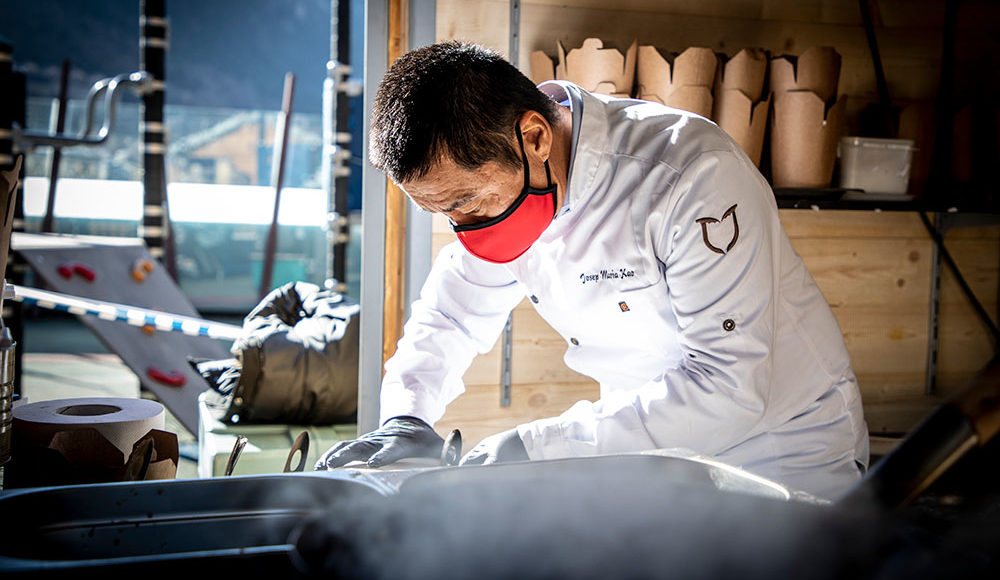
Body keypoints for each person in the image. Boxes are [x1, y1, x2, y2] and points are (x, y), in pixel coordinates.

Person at [315, 41, 869, 499]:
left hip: (784, 455)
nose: (463, 230)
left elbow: (730, 386)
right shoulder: (505, 185)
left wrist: (535, 447)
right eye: (442, 214)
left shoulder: (691, 175)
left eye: (467, 203)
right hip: (648, 450)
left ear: (534, 137)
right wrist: (406, 418)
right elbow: (450, 319)